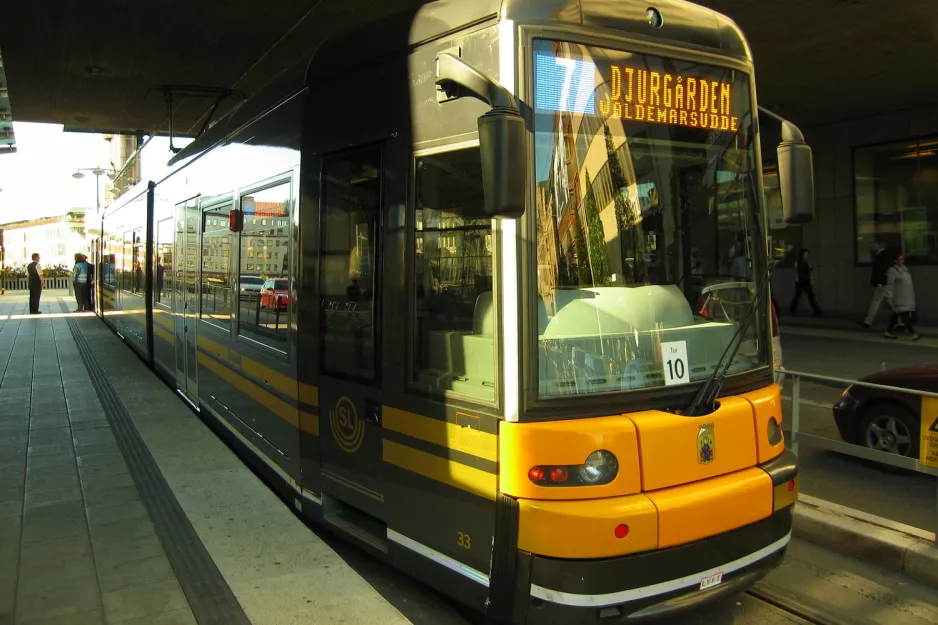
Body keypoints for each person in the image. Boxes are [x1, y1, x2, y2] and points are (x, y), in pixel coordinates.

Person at [883, 253, 920, 341]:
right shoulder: (892, 270)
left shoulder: (905, 271)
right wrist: (889, 296)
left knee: (895, 315)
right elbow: (890, 284)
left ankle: (888, 332)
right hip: (899, 298)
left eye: (902, 259)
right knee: (905, 316)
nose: (901, 261)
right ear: (895, 261)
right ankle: (913, 334)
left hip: (906, 297)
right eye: (899, 259)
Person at [858, 241, 891, 329]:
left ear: (879, 245)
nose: (874, 246)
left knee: (876, 302)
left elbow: (881, 269)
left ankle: (868, 322)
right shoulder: (885, 255)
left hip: (882, 284)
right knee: (891, 302)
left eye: (875, 245)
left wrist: (879, 283)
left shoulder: (881, 255)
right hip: (885, 283)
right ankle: (901, 322)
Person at [789, 248, 822, 316]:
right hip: (802, 282)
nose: (807, 255)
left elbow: (809, 271)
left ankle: (793, 309)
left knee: (805, 296)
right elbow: (801, 273)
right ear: (802, 255)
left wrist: (810, 278)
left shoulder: (805, 262)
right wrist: (809, 278)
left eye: (807, 254)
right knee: (807, 296)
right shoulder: (799, 263)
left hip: (803, 282)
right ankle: (817, 311)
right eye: (806, 254)